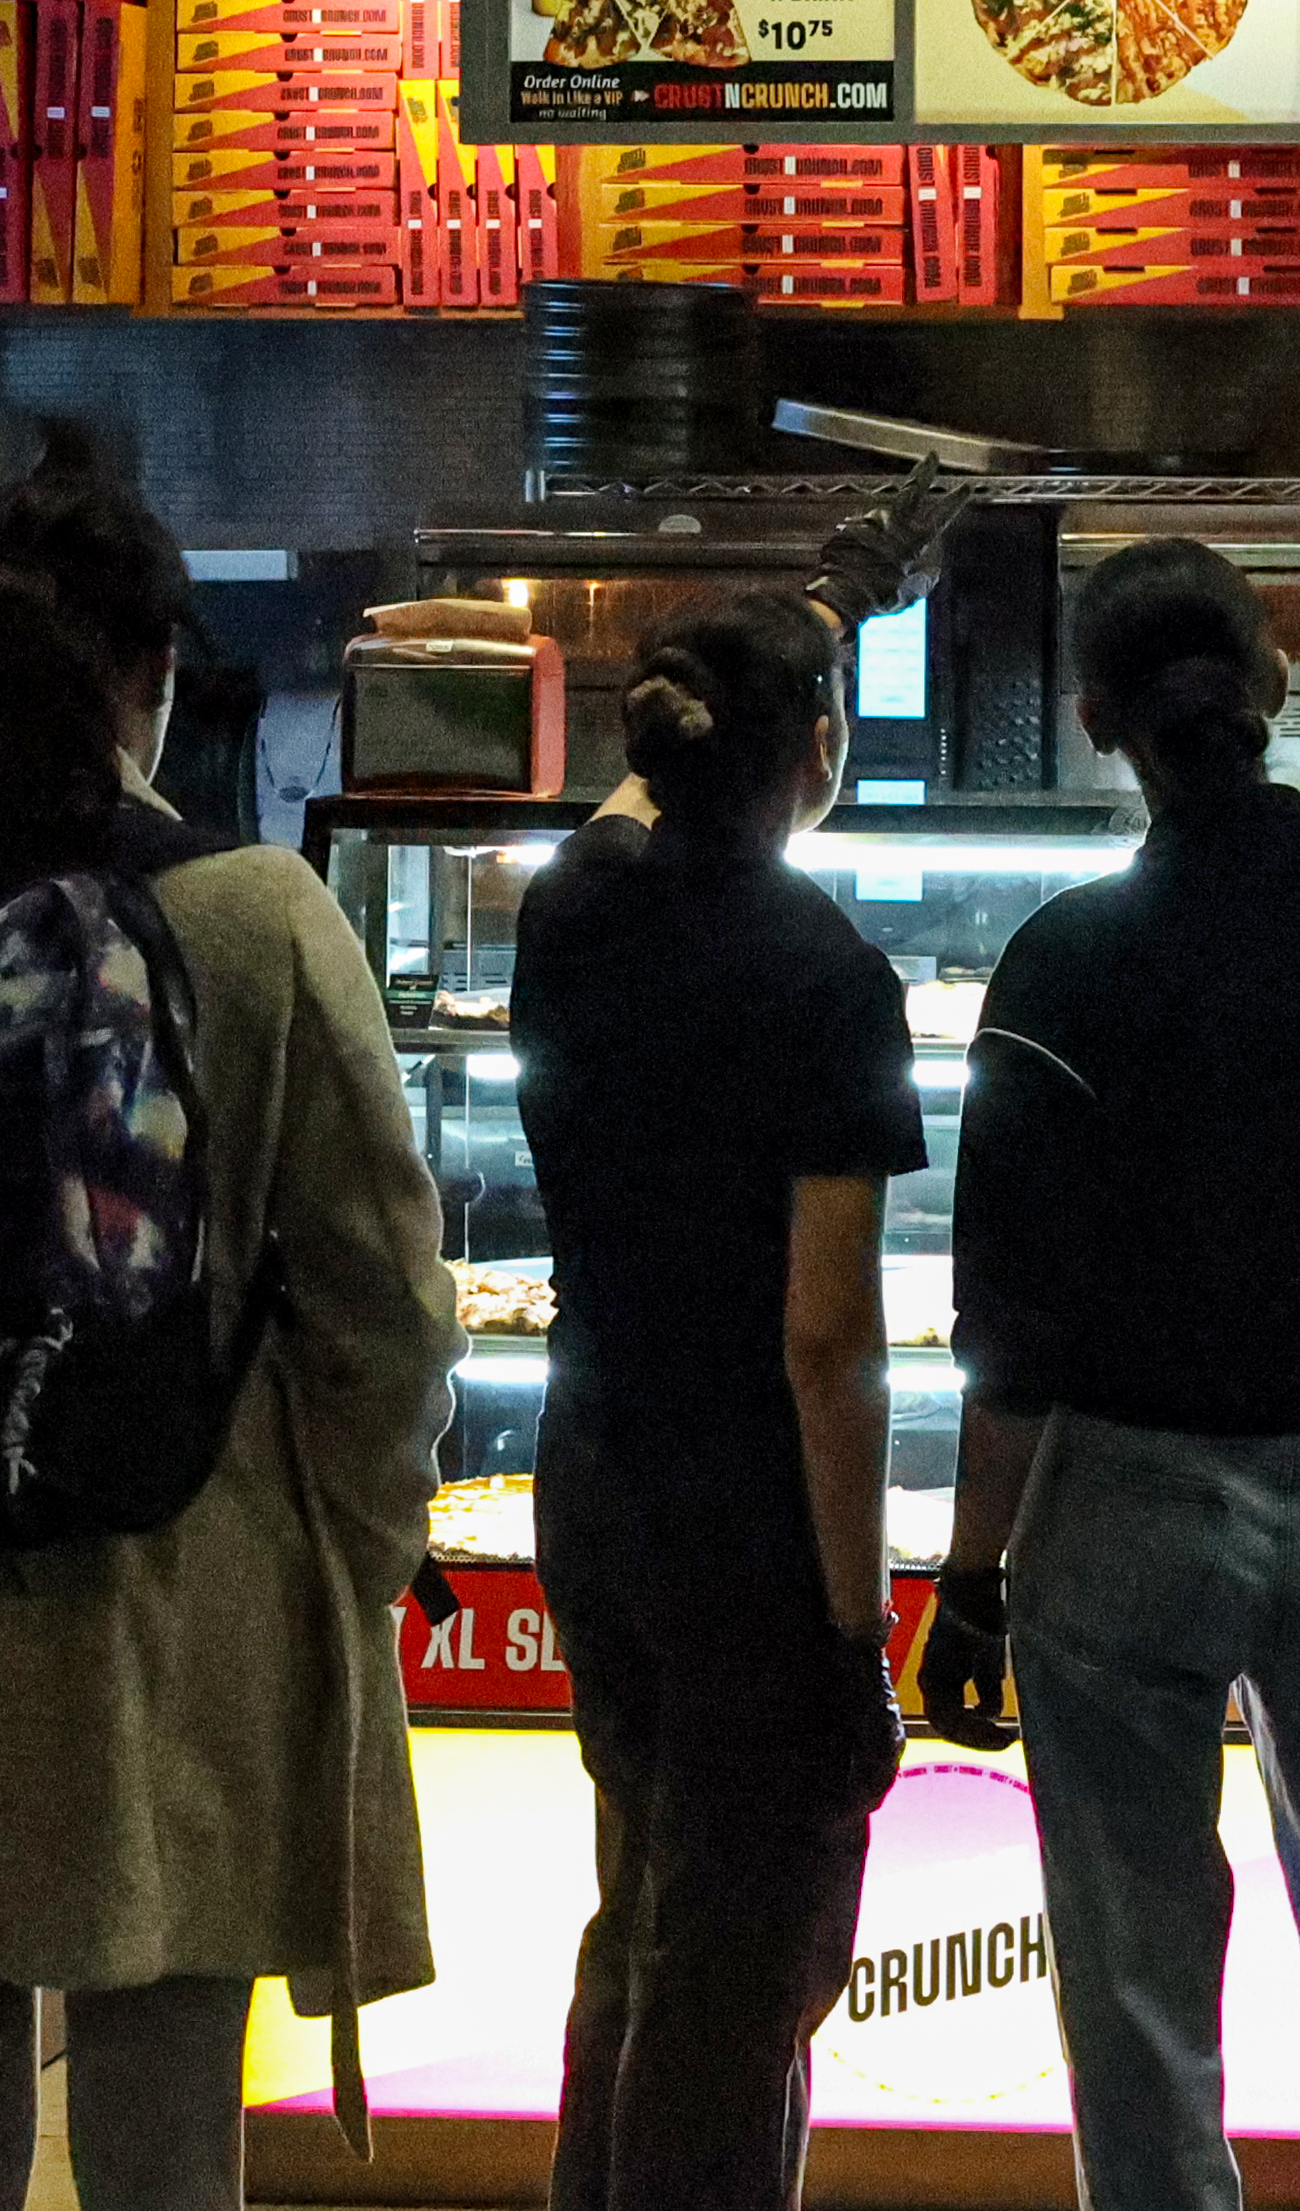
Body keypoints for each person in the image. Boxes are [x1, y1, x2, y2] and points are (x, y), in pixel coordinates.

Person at [0, 455, 457, 2211]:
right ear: (151, 675)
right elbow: (387, 1298)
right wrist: (352, 1546)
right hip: (164, 1590)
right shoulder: (254, 915)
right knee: (161, 2133)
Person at [915, 537, 1300, 2211]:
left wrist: (970, 1580)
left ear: (1093, 716)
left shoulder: (1061, 960)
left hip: (1120, 1499)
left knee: (1137, 1999)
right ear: (1273, 686)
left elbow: (1012, 1329)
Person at [514, 592, 926, 2211]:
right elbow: (831, 1339)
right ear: (816, 751)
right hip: (745, 1514)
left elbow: (636, 805)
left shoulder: (573, 903)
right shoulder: (826, 971)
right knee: (744, 1971)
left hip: (591, 1469)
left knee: (643, 1912)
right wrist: (854, 1628)